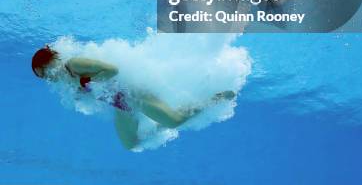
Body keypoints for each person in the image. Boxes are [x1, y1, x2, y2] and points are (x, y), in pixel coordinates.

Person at [32, 45, 235, 150]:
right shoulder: (67, 80)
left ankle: (215, 98)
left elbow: (112, 70)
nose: (49, 79)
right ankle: (160, 122)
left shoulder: (74, 64)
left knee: (175, 121)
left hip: (133, 93)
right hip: (121, 105)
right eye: (44, 78)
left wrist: (85, 83)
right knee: (131, 144)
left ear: (48, 63)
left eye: (45, 73)